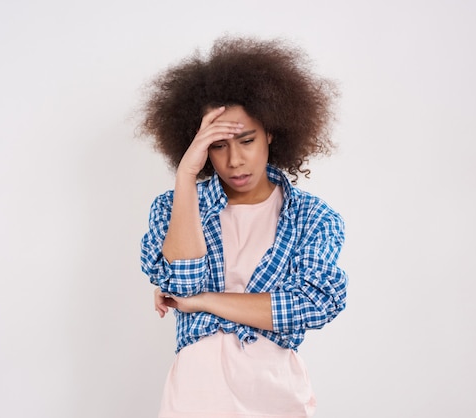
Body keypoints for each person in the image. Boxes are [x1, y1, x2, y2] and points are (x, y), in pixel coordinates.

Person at [138, 35, 348, 418]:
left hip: (276, 395)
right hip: (196, 396)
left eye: (247, 140)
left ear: (271, 132)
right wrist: (186, 174)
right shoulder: (175, 208)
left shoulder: (311, 217)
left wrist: (203, 302)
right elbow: (182, 283)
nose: (234, 160)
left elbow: (312, 305)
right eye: (218, 145)